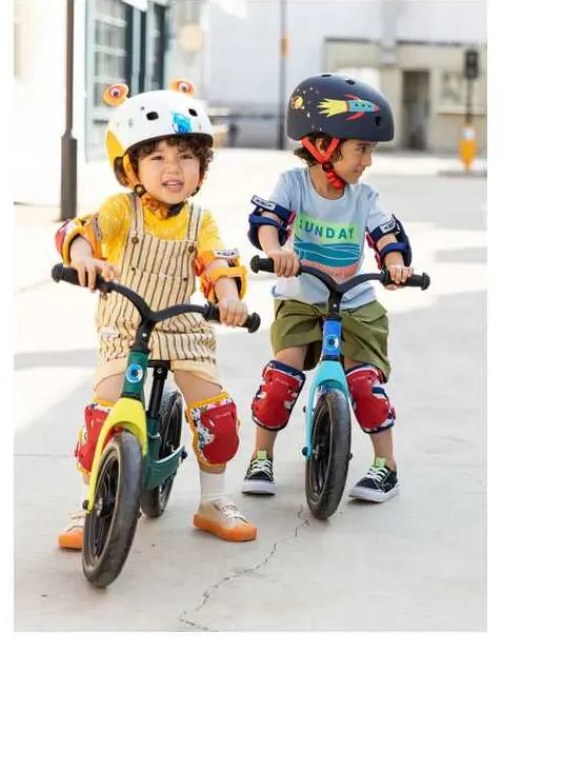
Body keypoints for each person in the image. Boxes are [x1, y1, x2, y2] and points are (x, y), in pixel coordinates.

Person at [54, 86, 257, 549]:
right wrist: (84, 258)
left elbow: (217, 263)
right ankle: (88, 502)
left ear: (202, 166)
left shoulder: (200, 221)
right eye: (157, 157)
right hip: (125, 325)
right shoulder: (121, 210)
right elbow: (82, 232)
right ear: (132, 168)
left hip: (181, 325)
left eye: (186, 156)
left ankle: (212, 501)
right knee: (104, 409)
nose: (173, 168)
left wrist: (229, 298)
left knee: (216, 413)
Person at [242, 73, 414, 503]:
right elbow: (268, 221)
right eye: (362, 149)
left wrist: (394, 265)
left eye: (371, 151)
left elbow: (385, 235)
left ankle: (386, 466)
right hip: (302, 298)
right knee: (281, 379)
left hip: (354, 301)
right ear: (323, 145)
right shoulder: (293, 185)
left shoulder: (364, 197)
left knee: (364, 383)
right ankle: (261, 456)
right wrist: (275, 249)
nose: (367, 161)